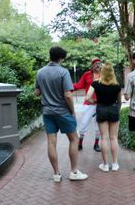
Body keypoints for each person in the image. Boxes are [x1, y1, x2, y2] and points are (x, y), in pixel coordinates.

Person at [35, 46, 88, 182]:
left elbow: (37, 92)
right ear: (61, 58)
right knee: (74, 139)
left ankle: (57, 174)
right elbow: (68, 95)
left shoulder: (40, 72)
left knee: (51, 143)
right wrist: (72, 111)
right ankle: (74, 172)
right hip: (63, 112)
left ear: (50, 56)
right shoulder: (63, 72)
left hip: (47, 112)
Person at [85, 62, 122, 172]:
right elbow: (119, 101)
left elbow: (87, 97)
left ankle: (105, 165)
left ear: (102, 72)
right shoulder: (117, 85)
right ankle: (115, 164)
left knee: (104, 138)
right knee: (114, 138)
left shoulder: (95, 84)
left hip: (101, 109)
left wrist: (95, 101)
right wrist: (116, 110)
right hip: (113, 109)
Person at [73, 58, 102, 152]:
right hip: (88, 104)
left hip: (101, 104)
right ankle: (80, 143)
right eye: (96, 64)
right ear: (92, 66)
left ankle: (96, 144)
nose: (98, 65)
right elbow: (79, 85)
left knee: (98, 125)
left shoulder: (104, 75)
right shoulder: (87, 74)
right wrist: (68, 87)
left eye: (99, 63)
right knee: (83, 124)